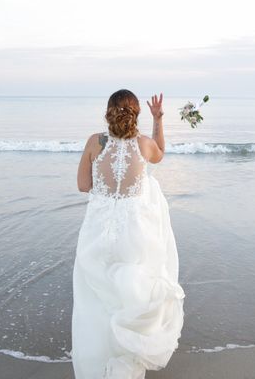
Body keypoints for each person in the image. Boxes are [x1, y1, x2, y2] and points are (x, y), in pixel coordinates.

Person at [72, 90, 185, 379]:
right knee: (130, 296)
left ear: (108, 111)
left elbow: (84, 185)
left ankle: (100, 364)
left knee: (96, 301)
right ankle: (126, 359)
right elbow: (159, 156)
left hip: (98, 231)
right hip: (133, 232)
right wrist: (158, 120)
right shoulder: (145, 145)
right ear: (136, 113)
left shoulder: (94, 142)